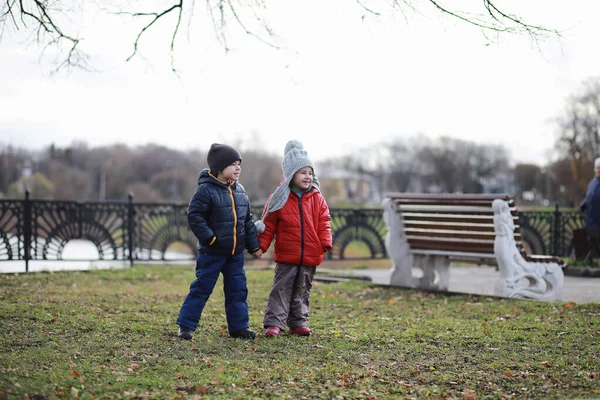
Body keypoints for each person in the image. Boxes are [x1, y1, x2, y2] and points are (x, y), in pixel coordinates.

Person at [177, 143, 263, 340]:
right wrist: (210, 238)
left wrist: (254, 245)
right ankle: (186, 326)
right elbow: (195, 216)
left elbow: (247, 221)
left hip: (235, 254)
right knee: (201, 289)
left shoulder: (240, 191)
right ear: (219, 167)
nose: (238, 167)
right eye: (233, 164)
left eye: (239, 163)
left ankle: (239, 327)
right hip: (212, 253)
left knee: (238, 290)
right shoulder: (205, 190)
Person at [254, 140, 332, 337]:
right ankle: (274, 323)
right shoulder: (279, 198)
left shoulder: (317, 198)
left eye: (310, 172)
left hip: (310, 253)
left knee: (302, 290)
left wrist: (325, 241)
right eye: (302, 172)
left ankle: (298, 322)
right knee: (281, 289)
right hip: (287, 254)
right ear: (291, 175)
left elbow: (324, 221)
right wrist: (260, 246)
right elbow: (268, 224)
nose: (308, 176)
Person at [579, 157, 600, 261]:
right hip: (591, 219)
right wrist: (582, 205)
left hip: (598, 220)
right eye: (597, 168)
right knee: (592, 242)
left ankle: (590, 262)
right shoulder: (592, 182)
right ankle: (589, 262)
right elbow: (589, 197)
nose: (598, 170)